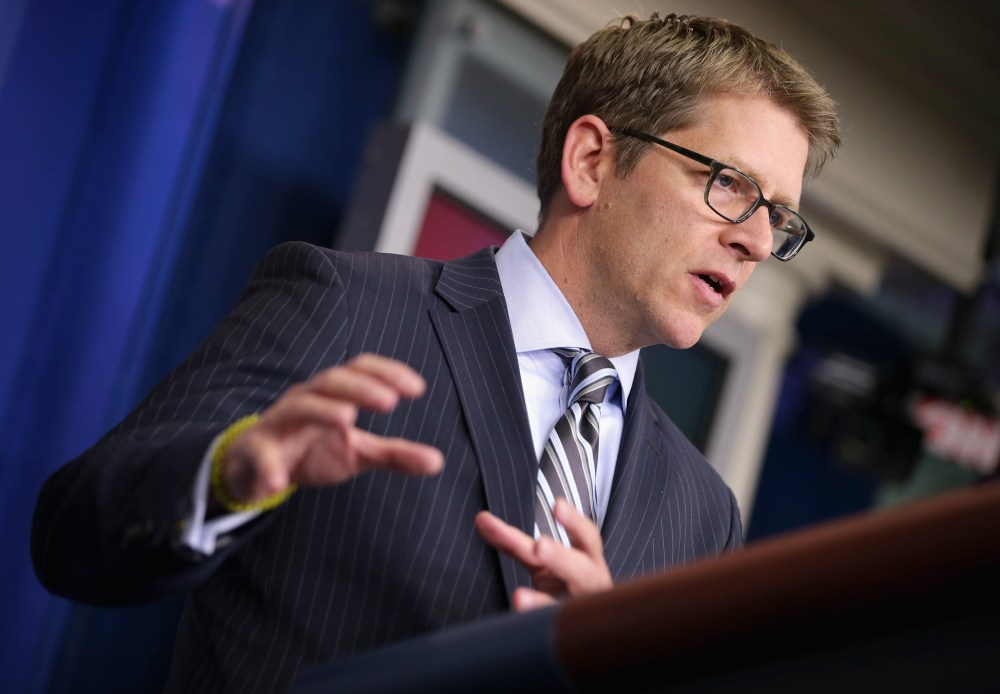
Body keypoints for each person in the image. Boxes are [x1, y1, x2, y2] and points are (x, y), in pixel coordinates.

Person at [32, 12, 840, 692]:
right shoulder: (349, 306)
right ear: (592, 161)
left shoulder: (703, 514)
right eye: (730, 184)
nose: (755, 241)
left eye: (780, 218)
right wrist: (229, 475)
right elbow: (72, 535)